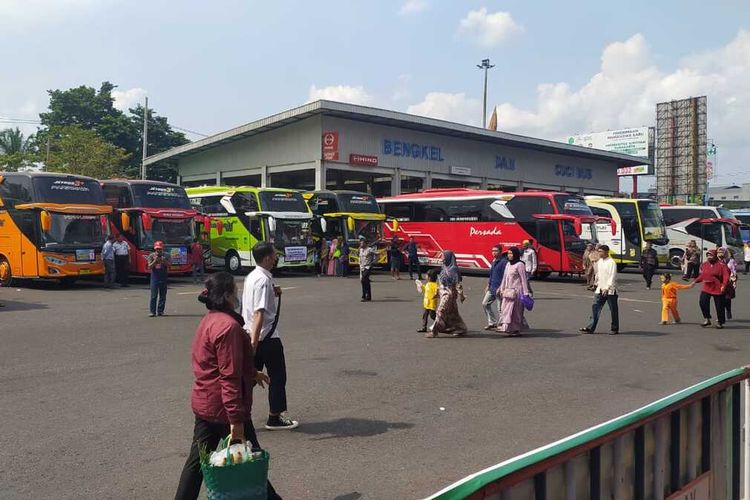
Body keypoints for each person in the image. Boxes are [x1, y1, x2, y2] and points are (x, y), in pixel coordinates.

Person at [174, 272, 279, 500]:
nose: (238, 293)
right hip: (224, 408)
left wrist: (252, 372)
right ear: (228, 295)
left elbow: (216, 363)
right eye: (235, 289)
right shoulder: (229, 327)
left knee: (197, 463)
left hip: (205, 404)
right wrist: (235, 420)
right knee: (252, 460)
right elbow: (228, 377)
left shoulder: (210, 320)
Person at [242, 241, 298, 430]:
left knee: (249, 377)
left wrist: (273, 294)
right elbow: (258, 313)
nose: (276, 258)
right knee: (277, 377)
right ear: (267, 258)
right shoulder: (263, 280)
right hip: (265, 338)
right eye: (274, 255)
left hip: (252, 334)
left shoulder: (252, 276)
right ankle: (275, 416)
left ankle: (232, 413)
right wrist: (254, 344)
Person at [580, 244, 619, 335]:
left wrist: (607, 287)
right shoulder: (600, 261)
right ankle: (590, 327)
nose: (598, 253)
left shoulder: (611, 262)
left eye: (600, 251)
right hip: (600, 288)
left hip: (610, 291)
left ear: (606, 252)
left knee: (613, 310)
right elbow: (598, 274)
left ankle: (614, 328)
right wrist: (596, 283)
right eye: (598, 251)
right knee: (595, 307)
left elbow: (612, 276)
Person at [428, 251, 467, 338]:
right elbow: (441, 282)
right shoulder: (444, 267)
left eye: (443, 256)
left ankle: (434, 330)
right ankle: (461, 328)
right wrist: (437, 292)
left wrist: (461, 295)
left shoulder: (453, 269)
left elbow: (458, 284)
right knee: (452, 313)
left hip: (449, 294)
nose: (442, 258)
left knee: (440, 311)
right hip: (443, 292)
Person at [496, 246, 531, 336]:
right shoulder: (508, 264)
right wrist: (501, 288)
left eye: (511, 253)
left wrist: (526, 293)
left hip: (517, 292)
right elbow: (505, 277)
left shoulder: (520, 265)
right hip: (508, 291)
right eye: (508, 253)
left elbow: (524, 279)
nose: (509, 255)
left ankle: (515, 329)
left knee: (516, 311)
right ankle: (507, 327)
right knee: (505, 309)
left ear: (515, 254)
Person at [693, 248, 730, 329]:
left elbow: (726, 276)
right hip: (707, 287)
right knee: (703, 302)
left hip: (718, 288)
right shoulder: (704, 264)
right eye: (708, 255)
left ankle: (720, 322)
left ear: (715, 256)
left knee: (719, 306)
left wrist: (724, 285)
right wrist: (695, 281)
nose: (709, 257)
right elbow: (703, 275)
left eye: (711, 255)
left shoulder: (721, 265)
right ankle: (707, 319)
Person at [482, 245, 507, 330]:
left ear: (500, 251)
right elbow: (491, 274)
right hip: (492, 287)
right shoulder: (493, 261)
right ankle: (492, 322)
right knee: (485, 304)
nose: (493, 252)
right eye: (492, 251)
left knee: (500, 308)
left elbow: (505, 276)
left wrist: (501, 287)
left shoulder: (504, 262)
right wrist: (488, 285)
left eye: (496, 251)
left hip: (500, 289)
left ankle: (502, 325)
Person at [146, 241, 171, 317]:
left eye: (160, 249)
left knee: (163, 295)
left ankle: (160, 311)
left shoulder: (166, 255)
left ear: (162, 248)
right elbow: (149, 267)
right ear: (155, 249)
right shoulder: (151, 256)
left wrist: (164, 261)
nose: (158, 251)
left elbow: (170, 265)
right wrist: (155, 261)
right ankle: (152, 311)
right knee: (154, 296)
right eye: (157, 249)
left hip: (163, 277)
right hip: (154, 278)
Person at [416, 269, 439, 333]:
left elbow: (437, 292)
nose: (425, 277)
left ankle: (439, 323)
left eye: (426, 276)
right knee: (425, 315)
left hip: (432, 304)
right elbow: (425, 289)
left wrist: (436, 294)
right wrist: (421, 286)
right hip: (426, 304)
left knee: (432, 316)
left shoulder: (435, 285)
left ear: (430, 277)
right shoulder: (428, 284)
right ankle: (424, 327)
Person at [721, 247, 737, 321]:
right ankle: (721, 314)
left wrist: (734, 282)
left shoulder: (732, 261)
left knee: (727, 298)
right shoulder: (719, 261)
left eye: (727, 252)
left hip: (729, 281)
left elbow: (734, 271)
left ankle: (728, 311)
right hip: (720, 281)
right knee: (720, 299)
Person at [359, 237, 376, 302]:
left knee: (364, 279)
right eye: (360, 243)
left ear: (366, 244)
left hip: (368, 266)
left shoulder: (370, 249)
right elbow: (360, 257)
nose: (361, 244)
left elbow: (377, 254)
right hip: (362, 267)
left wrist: (374, 261)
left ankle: (366, 295)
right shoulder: (361, 250)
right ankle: (366, 296)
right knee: (364, 281)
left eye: (362, 243)